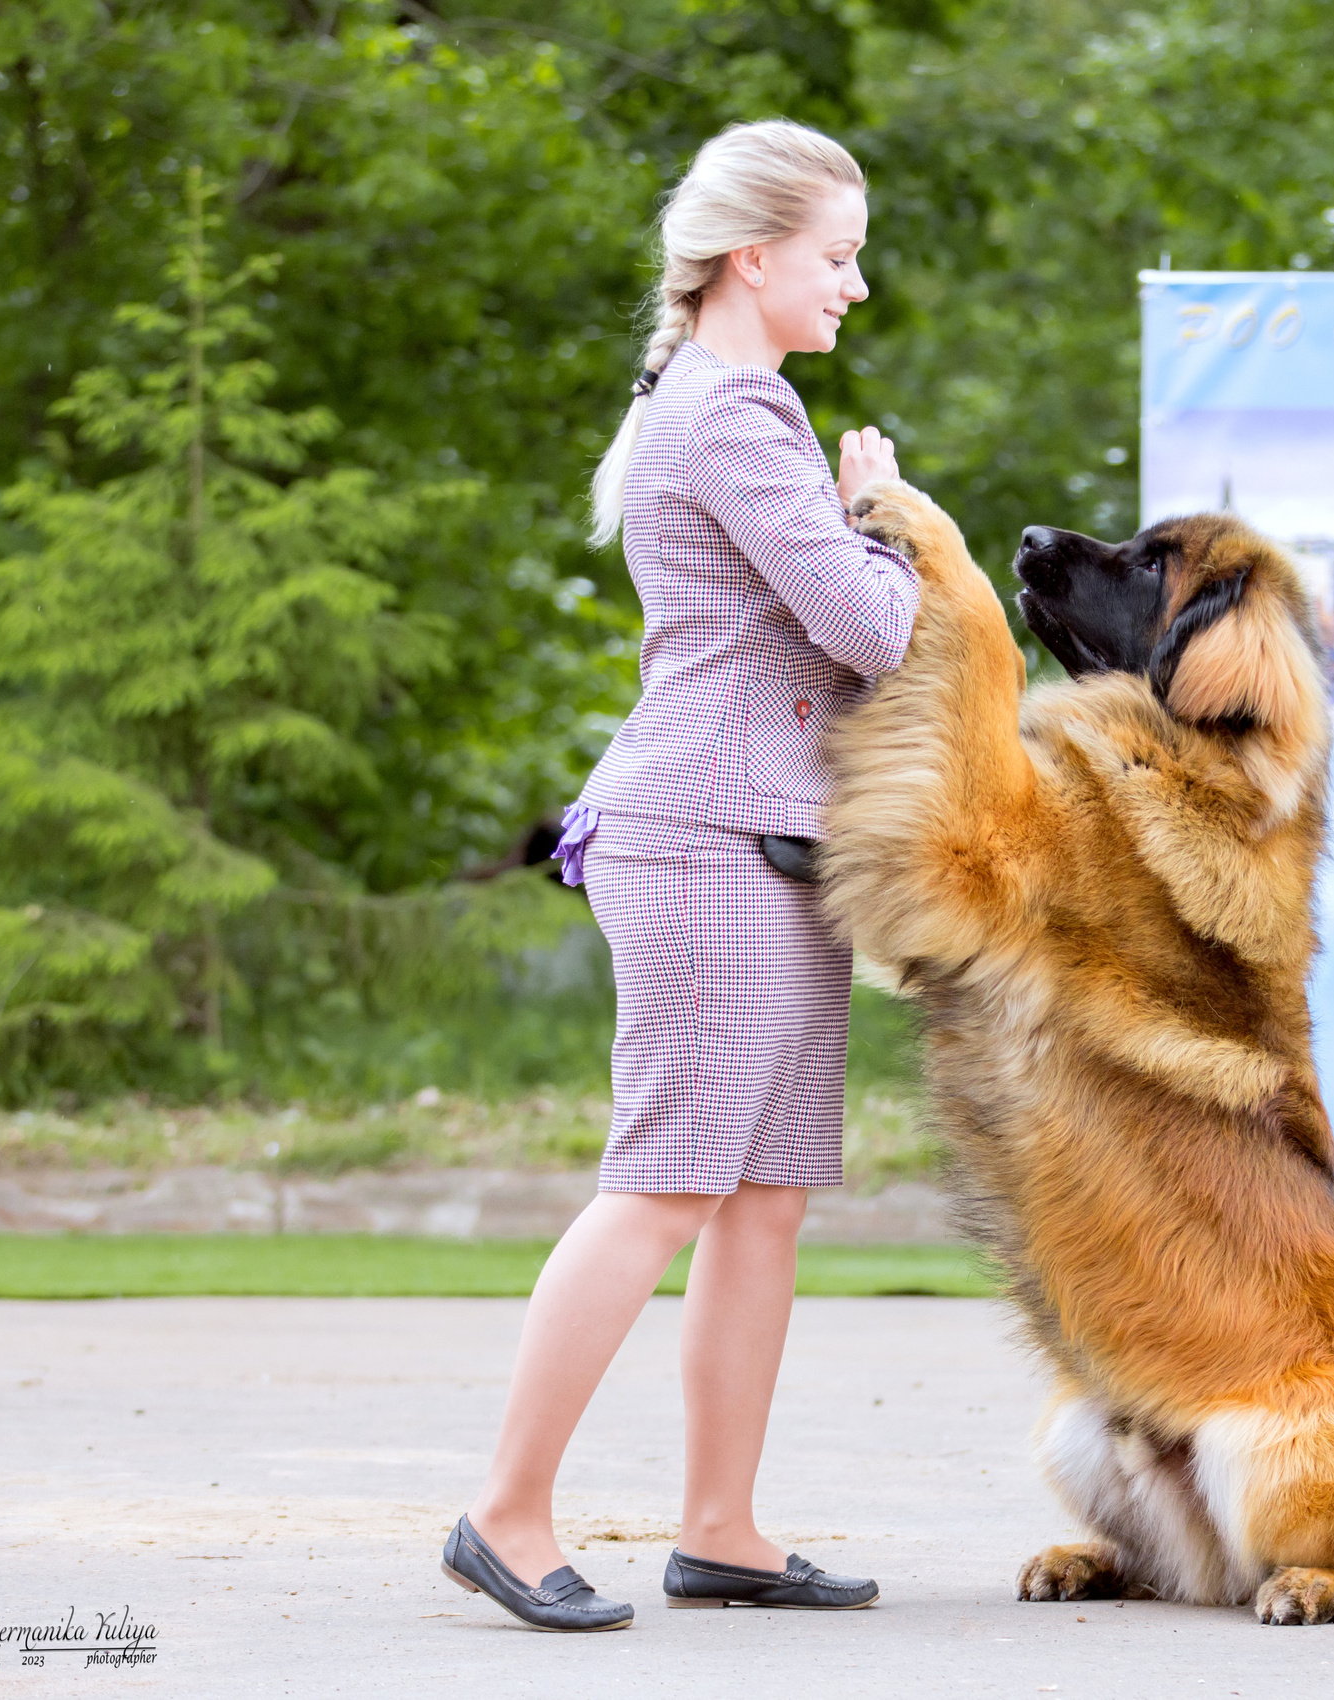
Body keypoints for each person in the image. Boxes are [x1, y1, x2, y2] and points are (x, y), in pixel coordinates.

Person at [440, 120, 917, 1632]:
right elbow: (871, 627)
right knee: (664, 1184)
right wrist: (885, 521)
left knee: (763, 1197)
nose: (856, 285)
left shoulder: (729, 403)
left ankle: (722, 1527)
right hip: (704, 834)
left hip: (765, 840)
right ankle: (505, 1514)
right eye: (838, 257)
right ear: (752, 256)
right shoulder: (729, 414)